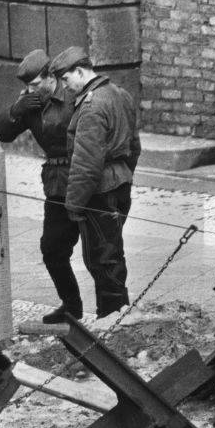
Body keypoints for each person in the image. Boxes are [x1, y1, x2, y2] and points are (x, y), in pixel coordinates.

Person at [0, 49, 85, 324]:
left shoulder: (72, 95)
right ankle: (71, 305)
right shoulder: (31, 102)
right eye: (27, 86)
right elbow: (3, 133)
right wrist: (15, 111)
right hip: (57, 184)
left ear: (51, 78)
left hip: (85, 178)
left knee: (100, 253)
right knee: (52, 249)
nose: (31, 90)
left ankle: (114, 309)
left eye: (35, 84)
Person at [50, 46, 141, 320]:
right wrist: (125, 176)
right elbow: (134, 146)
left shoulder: (91, 105)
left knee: (102, 260)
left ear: (80, 71)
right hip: (120, 184)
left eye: (66, 79)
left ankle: (111, 319)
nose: (64, 87)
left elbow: (86, 164)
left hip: (100, 192)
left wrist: (74, 204)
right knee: (112, 254)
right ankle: (117, 315)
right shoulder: (120, 94)